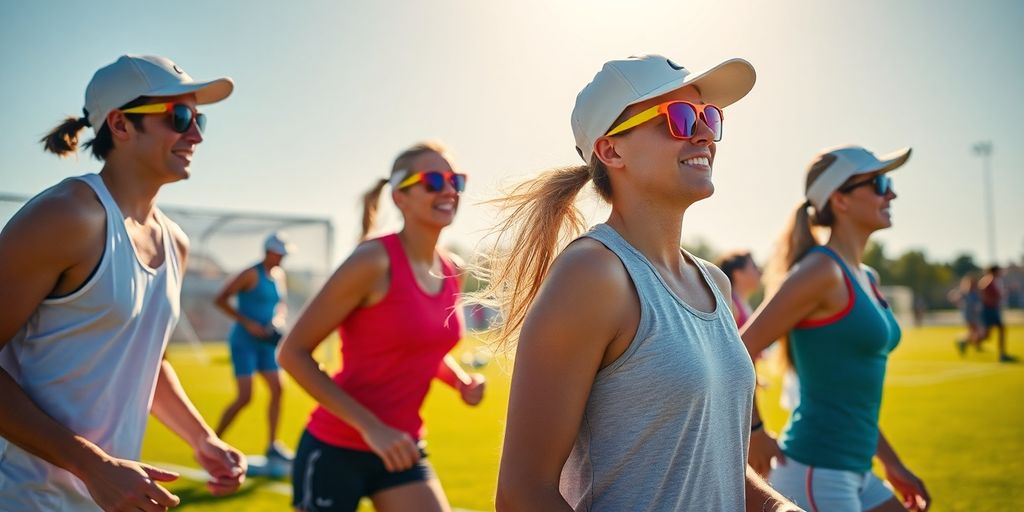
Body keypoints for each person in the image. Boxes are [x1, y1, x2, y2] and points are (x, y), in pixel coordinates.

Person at [482, 54, 799, 511]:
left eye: (710, 116)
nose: (704, 133)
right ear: (611, 151)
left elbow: (711, 463)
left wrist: (779, 508)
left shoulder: (714, 282)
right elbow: (522, 494)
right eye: (680, 117)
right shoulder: (593, 274)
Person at [0, 54, 245, 510]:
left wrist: (201, 438)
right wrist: (92, 465)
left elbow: (148, 360)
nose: (195, 135)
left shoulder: (176, 242)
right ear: (120, 124)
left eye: (199, 119)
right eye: (180, 116)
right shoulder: (68, 216)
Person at [277, 142, 486, 512]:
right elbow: (292, 353)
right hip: (336, 446)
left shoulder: (453, 269)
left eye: (455, 180)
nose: (448, 190)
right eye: (433, 180)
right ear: (399, 197)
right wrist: (372, 428)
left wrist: (459, 382)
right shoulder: (372, 260)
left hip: (400, 448)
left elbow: (421, 349)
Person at [741, 145, 930, 511]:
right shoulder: (821, 271)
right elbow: (738, 348)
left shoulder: (869, 278)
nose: (891, 192)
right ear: (839, 200)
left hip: (856, 469)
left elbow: (850, 399)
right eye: (879, 183)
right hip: (816, 472)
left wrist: (891, 462)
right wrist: (755, 432)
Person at [214, 232, 295, 465]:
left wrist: (278, 320)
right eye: (279, 253)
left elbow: (280, 305)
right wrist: (248, 323)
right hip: (244, 342)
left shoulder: (279, 275)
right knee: (245, 396)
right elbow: (220, 299)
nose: (282, 259)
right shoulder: (250, 274)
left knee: (278, 389)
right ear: (269, 251)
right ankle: (212, 441)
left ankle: (272, 445)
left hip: (266, 343)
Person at [978, 265, 1014, 362]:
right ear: (994, 271)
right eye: (999, 271)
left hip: (993, 309)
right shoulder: (988, 281)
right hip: (989, 310)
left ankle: (1002, 355)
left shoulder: (994, 281)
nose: (1000, 273)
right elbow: (983, 294)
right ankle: (966, 341)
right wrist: (992, 301)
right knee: (988, 335)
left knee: (992, 333)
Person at [718, 250, 762, 327]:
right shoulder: (731, 306)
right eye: (754, 266)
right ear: (737, 274)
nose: (760, 272)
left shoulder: (741, 303)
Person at [948, 273, 982, 355]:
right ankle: (962, 342)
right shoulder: (965, 292)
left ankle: (975, 345)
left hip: (975, 315)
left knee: (975, 331)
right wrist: (958, 303)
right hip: (969, 315)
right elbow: (953, 297)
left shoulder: (976, 292)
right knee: (974, 331)